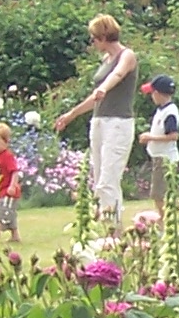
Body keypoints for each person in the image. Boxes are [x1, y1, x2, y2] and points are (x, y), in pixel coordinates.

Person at [53, 14, 136, 223]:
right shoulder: (105, 60)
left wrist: (104, 88)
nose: (93, 43)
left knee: (108, 181)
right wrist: (71, 114)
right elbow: (95, 98)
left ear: (103, 36)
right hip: (99, 121)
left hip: (118, 123)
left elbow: (118, 75)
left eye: (94, 38)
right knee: (99, 179)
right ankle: (107, 227)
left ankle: (114, 230)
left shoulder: (127, 55)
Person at [140, 74, 179, 233]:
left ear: (158, 93)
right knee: (165, 194)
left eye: (152, 93)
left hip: (165, 158)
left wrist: (150, 138)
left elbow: (173, 136)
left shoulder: (170, 112)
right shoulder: (161, 110)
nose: (151, 96)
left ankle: (164, 226)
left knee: (158, 195)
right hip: (159, 157)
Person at [0, 122, 22, 240]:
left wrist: (12, 186)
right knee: (10, 212)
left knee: (4, 210)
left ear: (6, 143)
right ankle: (15, 235)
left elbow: (14, 171)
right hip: (1, 189)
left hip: (8, 191)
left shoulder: (7, 156)